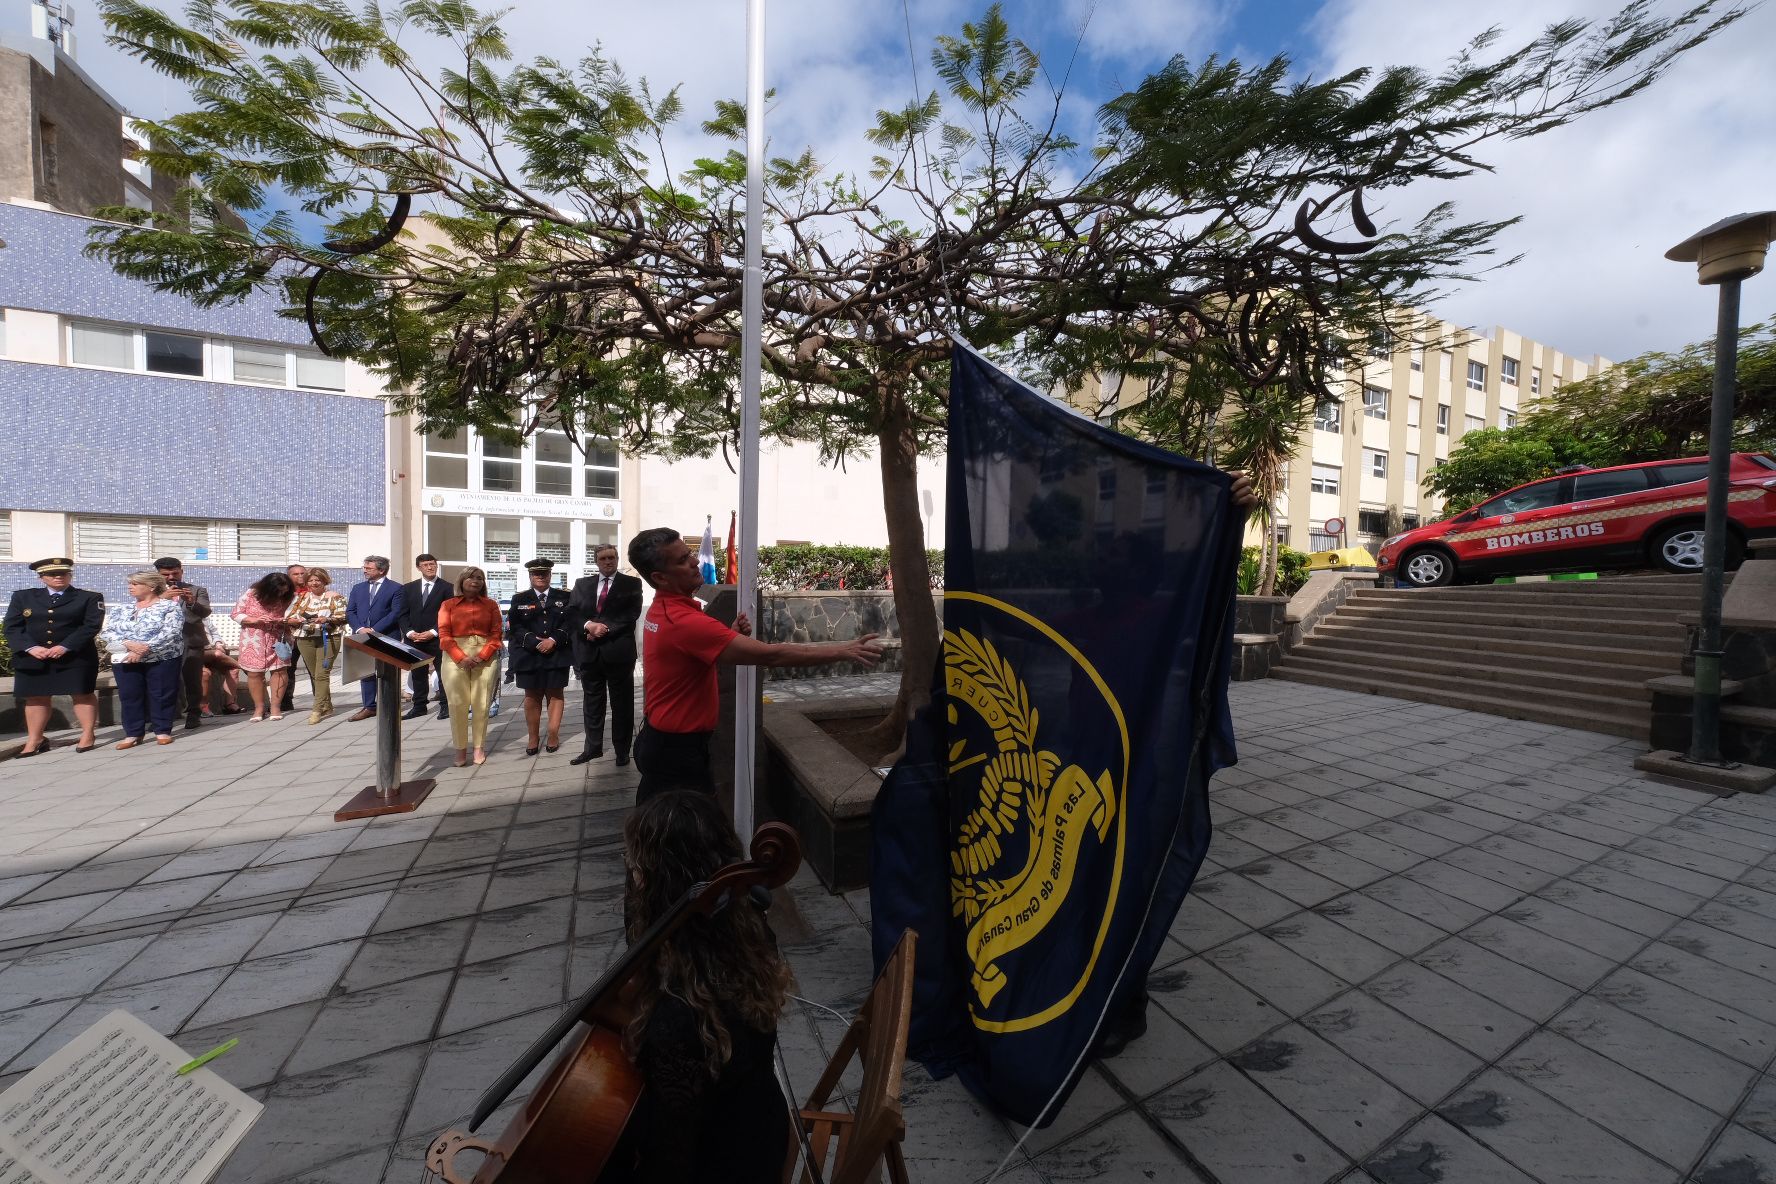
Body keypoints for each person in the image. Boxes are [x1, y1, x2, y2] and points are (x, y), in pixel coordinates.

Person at [607, 790, 791, 1184]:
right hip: (764, 1129)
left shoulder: (678, 1021)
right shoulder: (750, 935)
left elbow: (671, 1165)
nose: (631, 876)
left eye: (636, 867)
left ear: (660, 887)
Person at [627, 528, 884, 801]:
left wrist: (729, 637)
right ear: (659, 577)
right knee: (681, 837)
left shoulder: (663, 610)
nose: (694, 562)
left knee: (659, 828)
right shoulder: (684, 622)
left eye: (689, 554)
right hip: (676, 753)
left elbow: (688, 660)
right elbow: (770, 655)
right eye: (681, 560)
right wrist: (843, 649)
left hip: (662, 741)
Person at [3, 557, 104, 755]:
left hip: (75, 656)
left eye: (63, 573)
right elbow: (12, 627)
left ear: (70, 575)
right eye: (52, 574)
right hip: (33, 657)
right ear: (41, 578)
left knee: (82, 694)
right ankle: (35, 739)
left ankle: (88, 734)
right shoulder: (23, 597)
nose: (58, 577)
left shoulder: (89, 597)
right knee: (36, 698)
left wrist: (66, 646)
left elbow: (91, 625)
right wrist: (31, 648)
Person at [568, 543, 642, 767]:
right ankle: (592, 748)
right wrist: (589, 626)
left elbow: (631, 613)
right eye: (603, 558)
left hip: (618, 652)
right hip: (590, 653)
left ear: (618, 559)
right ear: (596, 561)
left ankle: (621, 751)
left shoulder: (631, 584)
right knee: (592, 703)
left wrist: (603, 628)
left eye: (612, 557)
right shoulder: (582, 585)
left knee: (622, 705)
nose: (608, 562)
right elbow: (572, 612)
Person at [99, 569, 187, 749]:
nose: (130, 587)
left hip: (162, 657)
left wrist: (143, 649)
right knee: (130, 695)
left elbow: (171, 632)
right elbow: (108, 632)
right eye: (130, 584)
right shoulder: (122, 609)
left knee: (161, 694)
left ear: (152, 586)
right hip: (126, 657)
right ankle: (133, 733)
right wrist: (128, 644)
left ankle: (162, 730)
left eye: (135, 584)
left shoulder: (169, 606)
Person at [437, 565, 502, 767]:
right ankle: (460, 748)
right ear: (462, 581)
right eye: (471, 577)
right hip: (455, 654)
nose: (476, 581)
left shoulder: (491, 605)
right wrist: (461, 657)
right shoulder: (448, 605)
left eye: (480, 578)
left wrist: (482, 655)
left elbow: (496, 633)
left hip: (485, 655)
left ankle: (479, 747)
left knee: (481, 703)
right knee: (457, 704)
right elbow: (444, 633)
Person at [507, 558, 574, 755]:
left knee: (555, 693)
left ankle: (553, 734)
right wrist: (534, 642)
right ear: (530, 576)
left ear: (550, 575)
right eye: (536, 573)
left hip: (557, 652)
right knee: (532, 696)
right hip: (529, 654)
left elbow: (570, 622)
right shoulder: (520, 599)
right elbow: (516, 627)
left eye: (544, 573)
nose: (540, 576)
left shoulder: (565, 596)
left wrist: (553, 639)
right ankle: (533, 737)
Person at [153, 557, 212, 731]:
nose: (171, 577)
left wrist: (191, 602)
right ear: (158, 574)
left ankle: (193, 714)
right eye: (166, 574)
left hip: (190, 641)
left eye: (175, 573)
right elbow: (143, 612)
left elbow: (205, 612)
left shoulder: (196, 590)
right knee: (164, 681)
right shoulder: (152, 592)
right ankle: (166, 717)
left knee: (192, 679)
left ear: (181, 571)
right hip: (162, 643)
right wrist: (162, 599)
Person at [345, 555, 405, 721]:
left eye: (369, 568)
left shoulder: (396, 588)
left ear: (381, 570)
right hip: (362, 636)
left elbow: (395, 613)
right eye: (364, 567)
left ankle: (390, 706)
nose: (365, 571)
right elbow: (350, 611)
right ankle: (369, 706)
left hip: (386, 636)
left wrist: (375, 629)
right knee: (366, 672)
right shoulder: (358, 588)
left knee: (389, 672)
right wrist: (360, 628)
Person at [286, 568, 347, 724]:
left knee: (322, 674)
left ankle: (316, 709)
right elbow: (290, 615)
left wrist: (326, 619)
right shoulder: (301, 597)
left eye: (317, 580)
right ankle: (327, 705)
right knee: (314, 674)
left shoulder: (335, 597)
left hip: (328, 637)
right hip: (305, 638)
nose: (314, 583)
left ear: (324, 581)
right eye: (311, 580)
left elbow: (344, 616)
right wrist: (295, 620)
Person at [233, 572, 296, 721]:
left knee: (280, 670)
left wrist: (281, 620)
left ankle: (275, 707)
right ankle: (259, 708)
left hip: (278, 638)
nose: (282, 593)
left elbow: (294, 616)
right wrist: (255, 620)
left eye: (284, 590)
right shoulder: (251, 593)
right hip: (253, 638)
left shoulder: (291, 596)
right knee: (254, 673)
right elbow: (236, 613)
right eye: (278, 591)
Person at [400, 553, 453, 721]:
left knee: (443, 672)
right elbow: (402, 614)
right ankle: (419, 706)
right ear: (419, 568)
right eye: (425, 565)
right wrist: (409, 632)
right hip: (414, 638)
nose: (430, 567)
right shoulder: (408, 588)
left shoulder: (447, 588)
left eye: (432, 564)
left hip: (437, 637)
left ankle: (446, 706)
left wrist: (433, 632)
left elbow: (451, 614)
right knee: (418, 674)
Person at [278, 563, 308, 714]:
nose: (300, 576)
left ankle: (321, 701)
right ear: (288, 577)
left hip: (309, 634)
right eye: (295, 574)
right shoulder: (282, 593)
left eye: (303, 573)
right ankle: (285, 702)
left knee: (315, 669)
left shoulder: (313, 591)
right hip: (288, 635)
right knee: (287, 669)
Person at [199, 615, 243, 716]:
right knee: (217, 656)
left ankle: (230, 703)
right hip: (195, 651)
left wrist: (218, 643)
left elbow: (214, 632)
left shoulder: (203, 617)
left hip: (210, 650)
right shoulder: (184, 616)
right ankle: (247, 669)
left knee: (233, 669)